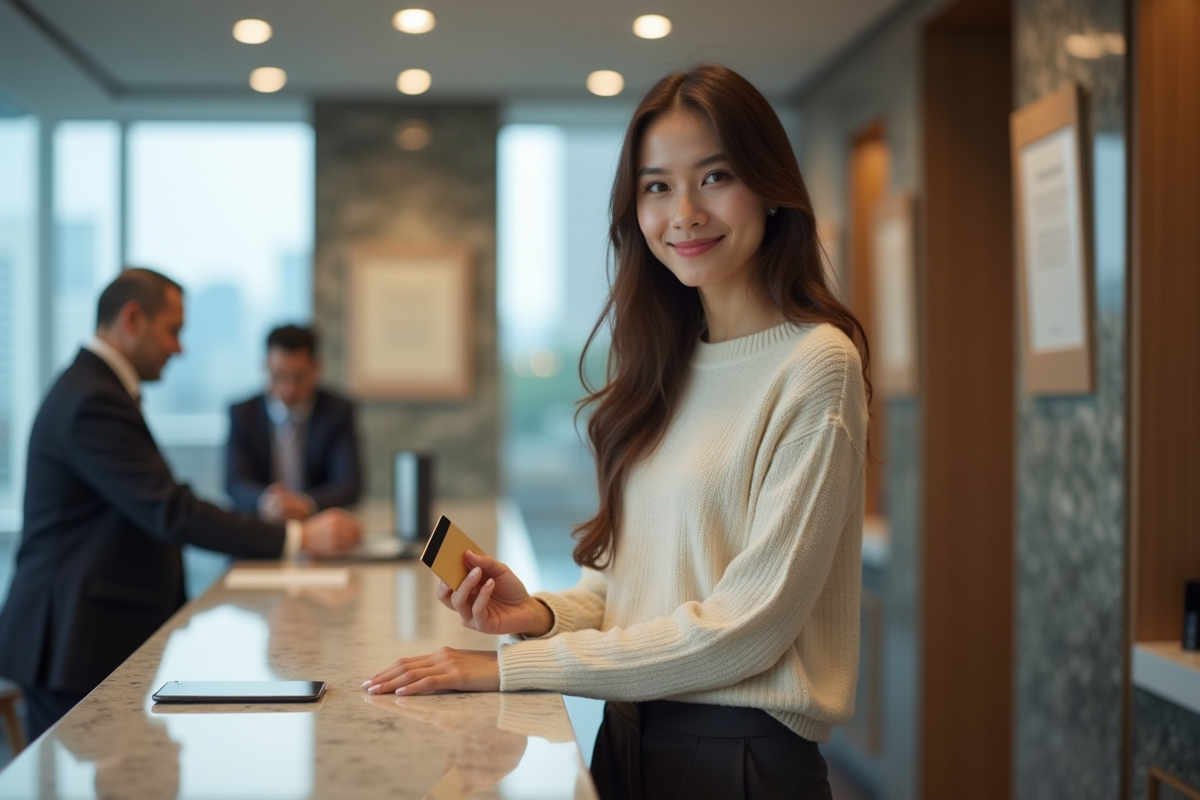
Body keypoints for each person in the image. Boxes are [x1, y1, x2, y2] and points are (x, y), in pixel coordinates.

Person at [363, 65, 871, 799]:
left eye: (715, 176)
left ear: (769, 186)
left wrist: (508, 666)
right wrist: (537, 614)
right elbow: (631, 594)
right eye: (657, 186)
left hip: (741, 763)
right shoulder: (666, 364)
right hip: (628, 740)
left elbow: (748, 628)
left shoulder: (815, 364)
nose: (684, 213)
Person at [0, 269, 362, 741]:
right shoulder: (93, 398)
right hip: (71, 637)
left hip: (87, 632)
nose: (180, 348)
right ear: (132, 318)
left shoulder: (95, 388)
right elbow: (170, 509)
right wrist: (297, 536)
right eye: (173, 330)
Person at [225, 324, 363, 523]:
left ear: (317, 368)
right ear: (265, 367)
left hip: (319, 526)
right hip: (260, 529)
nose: (288, 388)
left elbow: (349, 485)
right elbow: (235, 482)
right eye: (278, 376)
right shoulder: (243, 413)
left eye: (299, 377)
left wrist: (305, 503)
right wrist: (267, 502)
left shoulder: (336, 411)